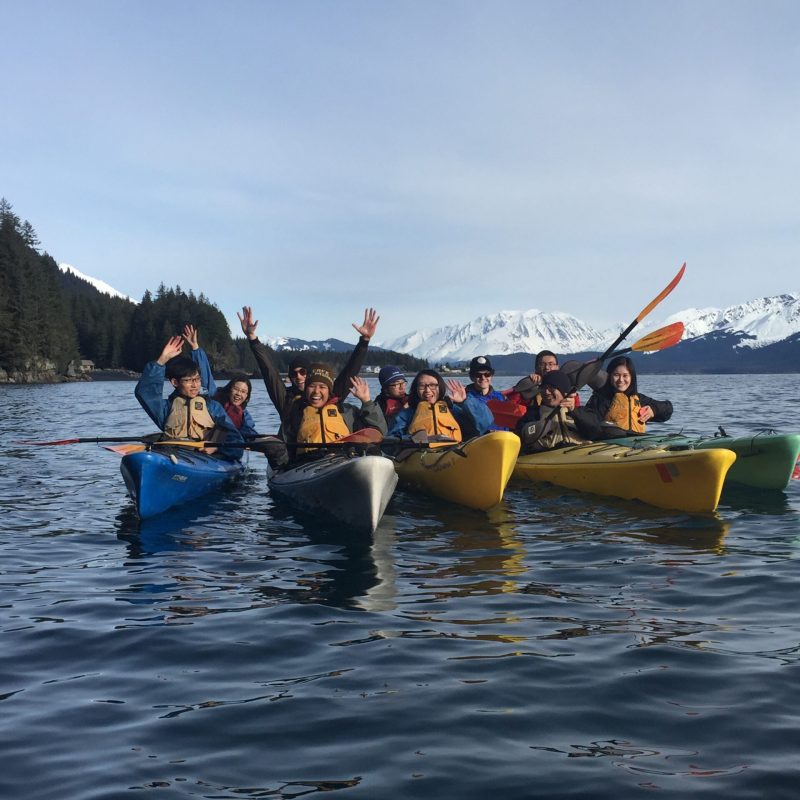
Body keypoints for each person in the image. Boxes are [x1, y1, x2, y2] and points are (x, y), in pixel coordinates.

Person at [238, 306, 379, 427]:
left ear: (310, 374)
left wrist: (364, 341)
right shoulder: (286, 400)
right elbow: (269, 371)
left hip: (334, 456)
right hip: (302, 456)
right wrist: (252, 338)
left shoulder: (329, 395)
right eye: (294, 374)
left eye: (303, 372)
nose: (298, 377)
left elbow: (350, 371)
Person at [134, 335, 244, 458]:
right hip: (173, 454)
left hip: (205, 457)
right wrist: (161, 361)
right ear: (175, 382)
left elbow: (234, 438)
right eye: (189, 380)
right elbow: (145, 392)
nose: (195, 385)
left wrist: (215, 446)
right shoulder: (165, 408)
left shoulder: (212, 406)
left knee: (222, 430)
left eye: (197, 379)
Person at [283, 364, 387, 459]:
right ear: (306, 389)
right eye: (312, 386)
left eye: (322, 387)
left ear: (329, 391)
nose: (316, 391)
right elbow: (284, 448)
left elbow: (380, 431)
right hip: (308, 464)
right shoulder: (296, 413)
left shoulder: (346, 411)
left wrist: (367, 402)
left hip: (343, 460)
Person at [182, 324, 259, 438]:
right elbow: (205, 375)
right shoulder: (215, 398)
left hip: (227, 447)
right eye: (236, 389)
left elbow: (250, 433)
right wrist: (195, 348)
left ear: (247, 397)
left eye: (243, 392)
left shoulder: (244, 415)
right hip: (203, 443)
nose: (238, 394)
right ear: (229, 390)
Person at [387, 369, 493, 442]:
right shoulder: (408, 413)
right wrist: (410, 439)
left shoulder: (452, 409)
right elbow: (391, 441)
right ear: (416, 389)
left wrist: (464, 401)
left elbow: (485, 424)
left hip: (451, 453)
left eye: (432, 385)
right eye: (422, 386)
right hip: (420, 454)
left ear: (440, 387)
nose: (427, 391)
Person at [517, 370, 602, 454]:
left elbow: (595, 433)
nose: (546, 392)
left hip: (582, 454)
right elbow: (521, 437)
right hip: (550, 457)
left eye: (552, 388)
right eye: (544, 388)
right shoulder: (533, 414)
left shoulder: (582, 411)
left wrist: (574, 411)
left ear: (564, 391)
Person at [585, 355, 673, 435]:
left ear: (632, 377)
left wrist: (654, 410)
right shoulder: (600, 399)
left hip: (637, 444)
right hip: (610, 446)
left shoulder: (639, 399)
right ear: (609, 376)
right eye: (616, 375)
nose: (621, 380)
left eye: (625, 376)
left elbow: (668, 409)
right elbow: (588, 426)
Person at [464, 355, 508, 431]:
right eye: (478, 375)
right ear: (471, 377)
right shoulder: (464, 398)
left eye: (487, 374)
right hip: (479, 440)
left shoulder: (502, 398)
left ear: (491, 376)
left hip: (502, 438)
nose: (483, 378)